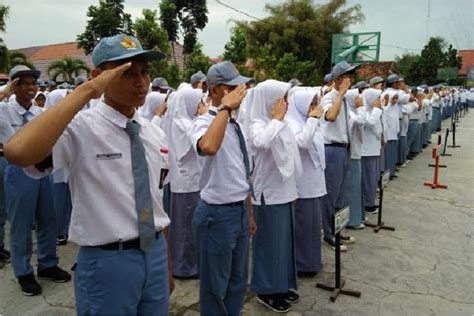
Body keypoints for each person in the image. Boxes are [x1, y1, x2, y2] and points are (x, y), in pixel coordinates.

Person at [5, 34, 173, 315]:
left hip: (154, 253)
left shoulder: (152, 131)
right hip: (109, 261)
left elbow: (155, 200)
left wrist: (165, 264)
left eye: (144, 72)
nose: (140, 81)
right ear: (98, 76)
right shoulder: (79, 129)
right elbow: (18, 152)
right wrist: (86, 91)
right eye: (126, 72)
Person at [189, 60, 256, 316]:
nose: (240, 92)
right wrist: (225, 109)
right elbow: (208, 147)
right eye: (232, 87)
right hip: (216, 215)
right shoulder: (203, 122)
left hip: (237, 211)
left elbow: (241, 173)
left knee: (238, 281)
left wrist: (248, 213)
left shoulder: (234, 124)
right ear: (215, 90)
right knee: (215, 287)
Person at [0, 65, 70, 296]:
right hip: (18, 172)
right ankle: (23, 272)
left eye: (34, 83)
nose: (32, 88)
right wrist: (5, 90)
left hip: (43, 171)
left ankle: (47, 264)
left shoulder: (40, 113)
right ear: (15, 86)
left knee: (48, 219)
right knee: (21, 224)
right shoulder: (4, 110)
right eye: (26, 83)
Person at [248, 80, 302, 313]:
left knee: (282, 245)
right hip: (268, 194)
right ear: (269, 101)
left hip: (284, 192)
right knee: (269, 245)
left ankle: (281, 285)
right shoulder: (257, 124)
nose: (286, 104)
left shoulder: (280, 122)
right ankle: (265, 290)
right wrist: (277, 120)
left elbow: (291, 155)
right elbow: (261, 142)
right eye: (281, 99)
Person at [286, 88, 325, 277]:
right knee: (304, 225)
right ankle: (302, 264)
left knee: (312, 225)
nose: (314, 107)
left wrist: (313, 120)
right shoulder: (292, 122)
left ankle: (311, 261)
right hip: (303, 183)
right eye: (310, 103)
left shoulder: (309, 121)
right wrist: (312, 119)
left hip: (314, 181)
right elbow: (302, 142)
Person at [320, 61, 358, 251]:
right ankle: (328, 233)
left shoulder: (343, 100)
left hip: (343, 148)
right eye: (346, 76)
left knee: (341, 194)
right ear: (336, 79)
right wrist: (340, 93)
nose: (350, 79)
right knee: (331, 194)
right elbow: (331, 116)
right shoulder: (330, 98)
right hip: (332, 149)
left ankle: (338, 230)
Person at [166, 86, 203, 279]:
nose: (200, 106)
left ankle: (190, 263)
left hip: (191, 179)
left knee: (188, 224)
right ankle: (183, 267)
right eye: (198, 103)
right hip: (185, 180)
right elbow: (198, 142)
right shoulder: (182, 122)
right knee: (184, 226)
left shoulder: (186, 120)